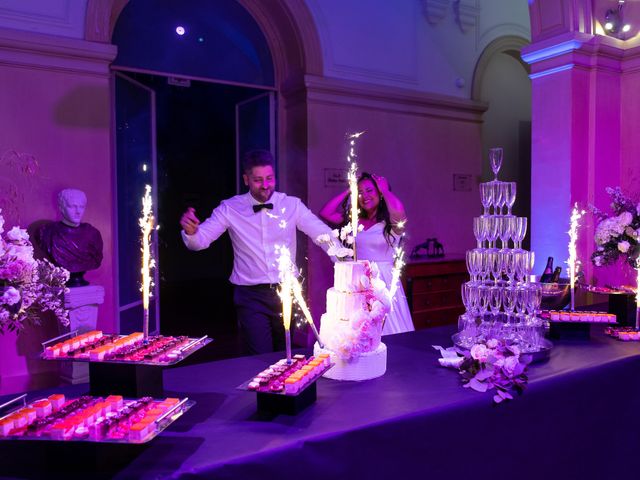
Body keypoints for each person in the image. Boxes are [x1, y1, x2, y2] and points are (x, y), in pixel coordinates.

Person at [180, 150, 331, 354]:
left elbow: (322, 234)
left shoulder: (291, 205)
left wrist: (345, 255)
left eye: (269, 178)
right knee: (260, 357)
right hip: (251, 296)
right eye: (258, 180)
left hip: (287, 291)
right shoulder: (230, 208)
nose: (265, 185)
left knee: (285, 353)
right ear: (246, 179)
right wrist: (191, 232)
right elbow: (200, 241)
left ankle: (287, 387)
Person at [319, 172, 414, 335]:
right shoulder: (353, 220)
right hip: (358, 282)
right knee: (360, 334)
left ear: (380, 192)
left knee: (389, 331)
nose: (365, 196)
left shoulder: (391, 224)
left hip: (384, 281)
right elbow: (326, 213)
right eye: (360, 192)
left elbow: (399, 210)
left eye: (370, 190)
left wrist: (385, 191)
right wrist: (350, 190)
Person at [37, 189, 103, 286]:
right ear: (61, 208)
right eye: (72, 207)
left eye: (81, 207)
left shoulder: (93, 234)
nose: (78, 211)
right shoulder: (47, 232)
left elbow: (96, 258)